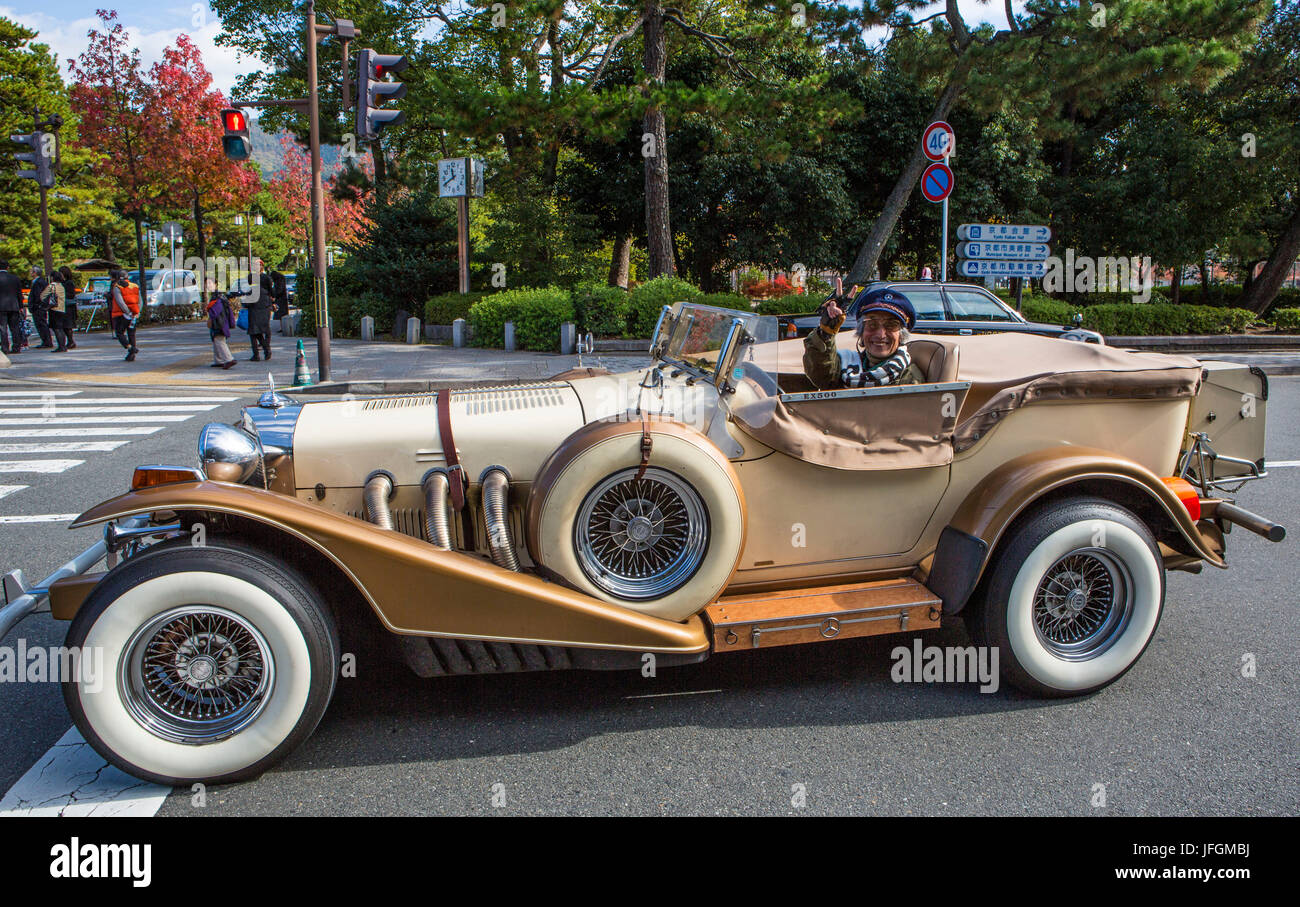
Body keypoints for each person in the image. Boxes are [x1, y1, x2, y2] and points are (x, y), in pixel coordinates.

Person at [803, 281, 926, 389]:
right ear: (861, 333)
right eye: (872, 324)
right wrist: (825, 332)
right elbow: (822, 376)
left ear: (901, 336)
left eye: (891, 325)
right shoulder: (846, 365)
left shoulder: (908, 378)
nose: (880, 334)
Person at [109, 269, 140, 361]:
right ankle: (131, 355)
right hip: (133, 314)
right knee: (131, 333)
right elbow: (140, 300)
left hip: (121, 314)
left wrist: (127, 312)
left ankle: (130, 348)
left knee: (119, 332)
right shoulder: (135, 286)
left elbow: (120, 302)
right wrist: (137, 312)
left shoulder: (117, 287)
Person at [206, 277, 237, 369]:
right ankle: (218, 360)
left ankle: (229, 359)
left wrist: (210, 315)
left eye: (210, 283)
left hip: (220, 322)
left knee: (219, 340)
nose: (208, 285)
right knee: (216, 340)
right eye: (206, 284)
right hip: (220, 321)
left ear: (215, 284)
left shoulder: (217, 296)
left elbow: (216, 310)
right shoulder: (218, 295)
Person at [245, 260, 273, 360]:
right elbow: (271, 292)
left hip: (257, 305)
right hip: (262, 305)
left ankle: (258, 353)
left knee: (254, 331)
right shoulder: (265, 278)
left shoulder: (253, 278)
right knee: (261, 330)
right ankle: (265, 349)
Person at [39, 268, 67, 351]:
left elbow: (42, 296)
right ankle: (63, 345)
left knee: (56, 328)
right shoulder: (62, 286)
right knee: (61, 328)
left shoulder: (52, 286)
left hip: (54, 308)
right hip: (62, 308)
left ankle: (61, 346)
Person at [0, 260, 22, 355]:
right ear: (7, 267)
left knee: (3, 328)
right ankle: (16, 347)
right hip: (14, 305)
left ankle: (5, 348)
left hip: (1, 307)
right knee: (15, 327)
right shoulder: (15, 278)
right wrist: (21, 306)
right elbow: (19, 294)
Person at [28, 267, 53, 348]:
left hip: (39, 307)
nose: (30, 273)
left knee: (41, 324)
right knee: (41, 324)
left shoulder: (39, 282)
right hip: (39, 307)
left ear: (35, 272)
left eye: (31, 271)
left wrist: (37, 305)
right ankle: (46, 341)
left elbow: (38, 295)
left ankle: (47, 342)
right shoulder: (39, 281)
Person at [57, 266, 78, 350]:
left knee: (68, 326)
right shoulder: (63, 282)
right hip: (65, 306)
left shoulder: (69, 283)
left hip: (68, 307)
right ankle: (70, 341)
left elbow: (71, 294)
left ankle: (70, 341)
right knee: (65, 326)